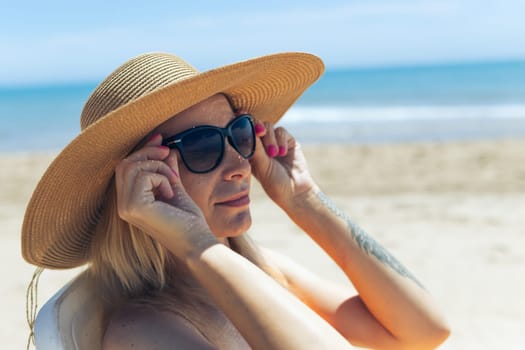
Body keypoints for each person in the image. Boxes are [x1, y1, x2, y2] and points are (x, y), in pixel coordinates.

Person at [22, 52, 450, 349]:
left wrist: (305, 200)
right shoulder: (143, 332)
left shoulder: (258, 270)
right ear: (139, 184)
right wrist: (194, 242)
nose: (239, 165)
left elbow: (422, 331)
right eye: (203, 146)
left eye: (240, 134)